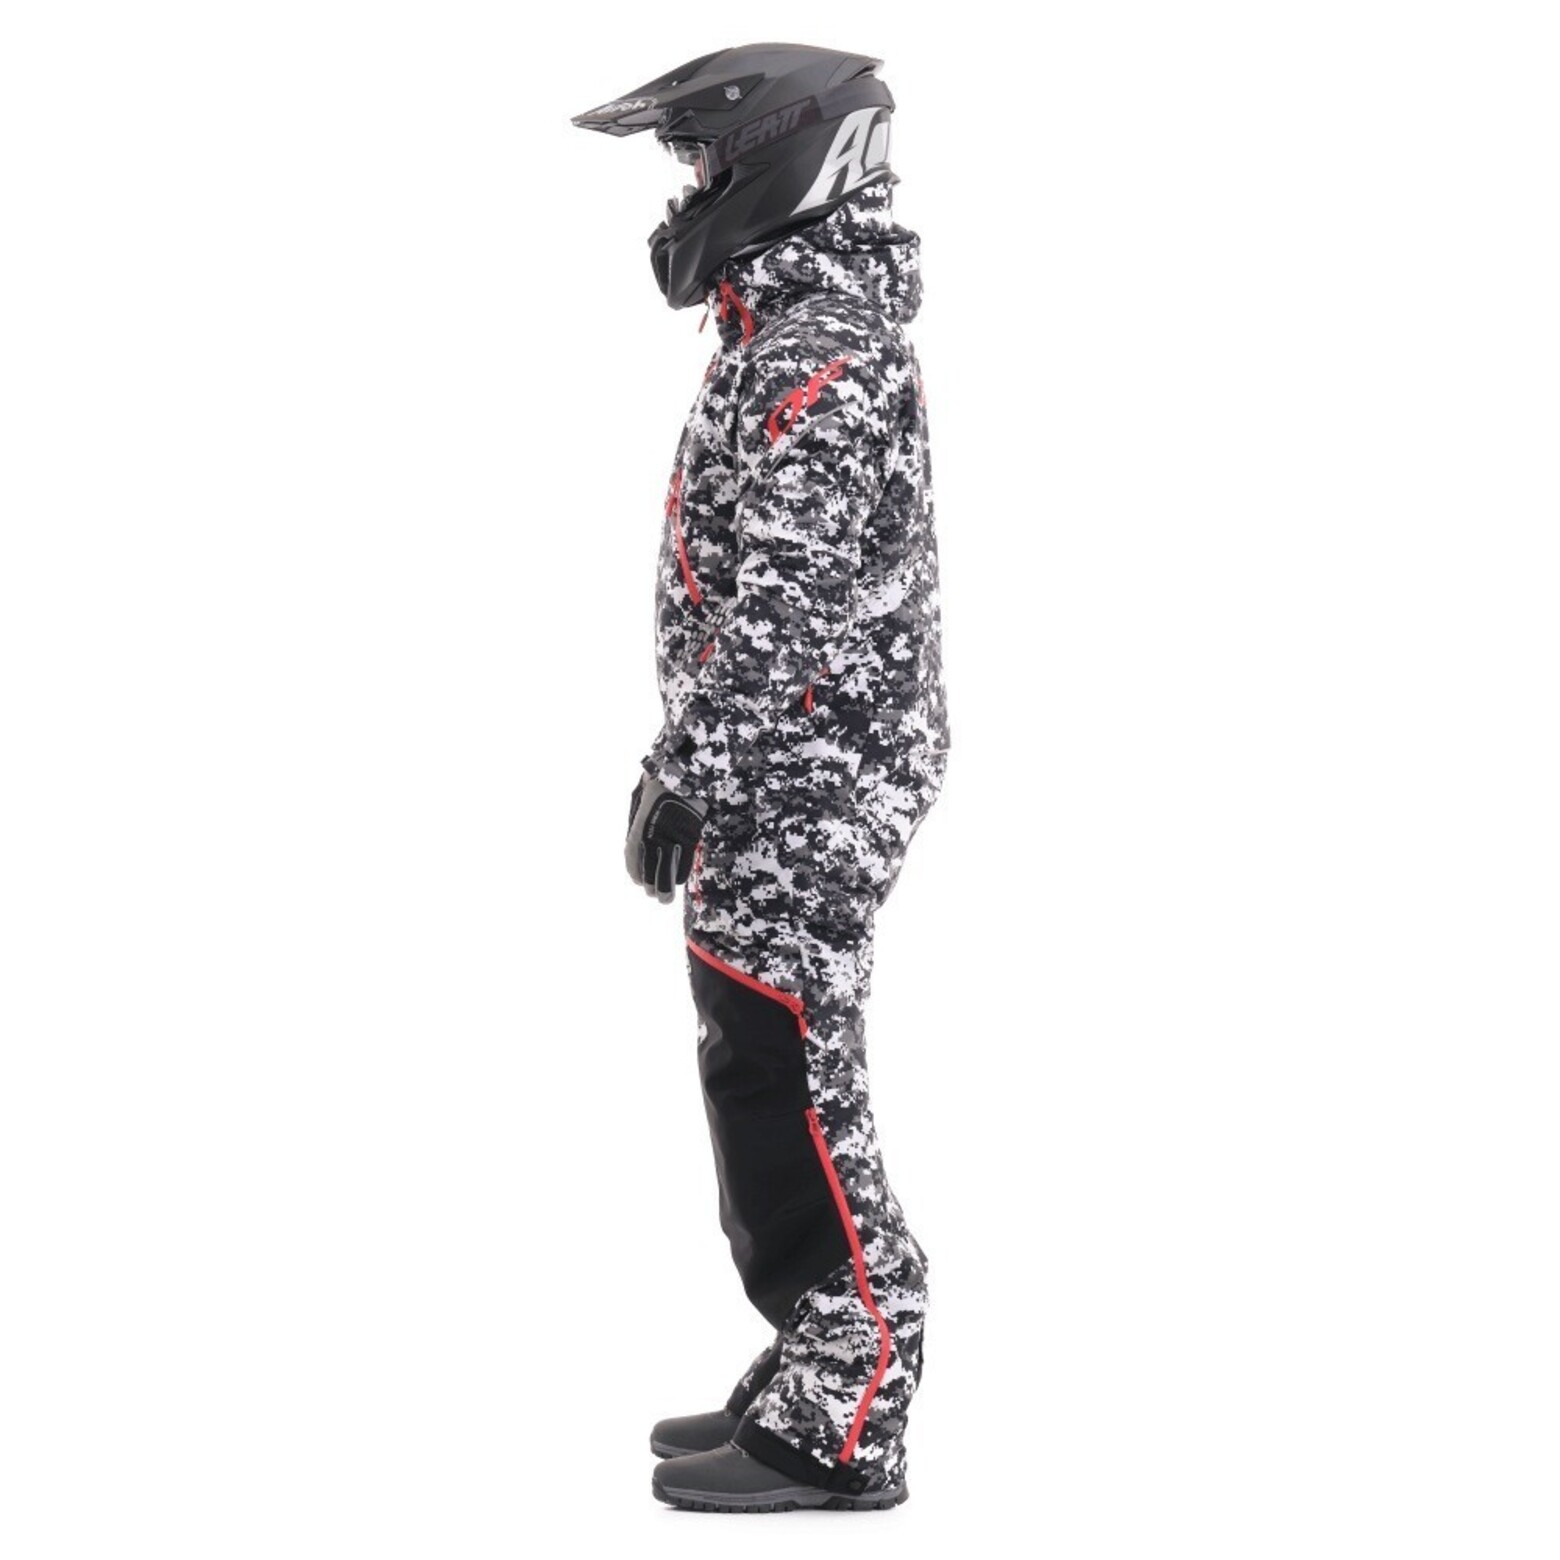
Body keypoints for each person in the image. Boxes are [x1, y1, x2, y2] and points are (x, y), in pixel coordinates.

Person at [573, 42, 950, 1514]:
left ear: (785, 159)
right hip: (784, 766)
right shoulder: (791, 330)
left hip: (809, 775)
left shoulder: (820, 351)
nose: (686, 193)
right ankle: (815, 1348)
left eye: (702, 163)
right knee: (757, 1058)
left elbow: (787, 604)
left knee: (787, 1066)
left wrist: (690, 769)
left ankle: (850, 1400)